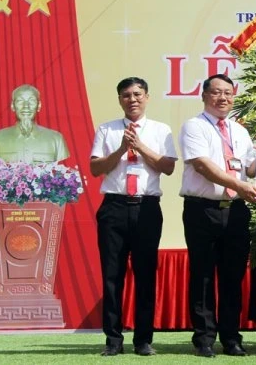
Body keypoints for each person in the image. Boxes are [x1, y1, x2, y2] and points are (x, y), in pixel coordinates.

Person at [89, 77, 177, 357]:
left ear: (147, 97)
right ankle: (113, 340)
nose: (132, 99)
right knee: (112, 276)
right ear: (119, 100)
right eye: (126, 95)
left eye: (138, 94)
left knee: (145, 275)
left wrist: (140, 146)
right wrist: (120, 148)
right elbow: (95, 169)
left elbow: (168, 167)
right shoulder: (107, 129)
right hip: (113, 207)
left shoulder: (161, 130)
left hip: (147, 208)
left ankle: (143, 340)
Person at [179, 74, 256, 358]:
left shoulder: (240, 131)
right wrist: (239, 184)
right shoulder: (194, 126)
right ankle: (203, 339)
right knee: (202, 276)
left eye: (228, 93)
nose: (223, 98)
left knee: (233, 277)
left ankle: (231, 338)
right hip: (203, 210)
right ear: (204, 96)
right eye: (216, 92)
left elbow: (250, 169)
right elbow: (202, 165)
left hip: (236, 211)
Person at [0, 84, 69, 163]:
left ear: (39, 106)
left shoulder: (56, 139)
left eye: (32, 101)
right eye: (20, 101)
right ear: (12, 106)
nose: (26, 106)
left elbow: (62, 173)